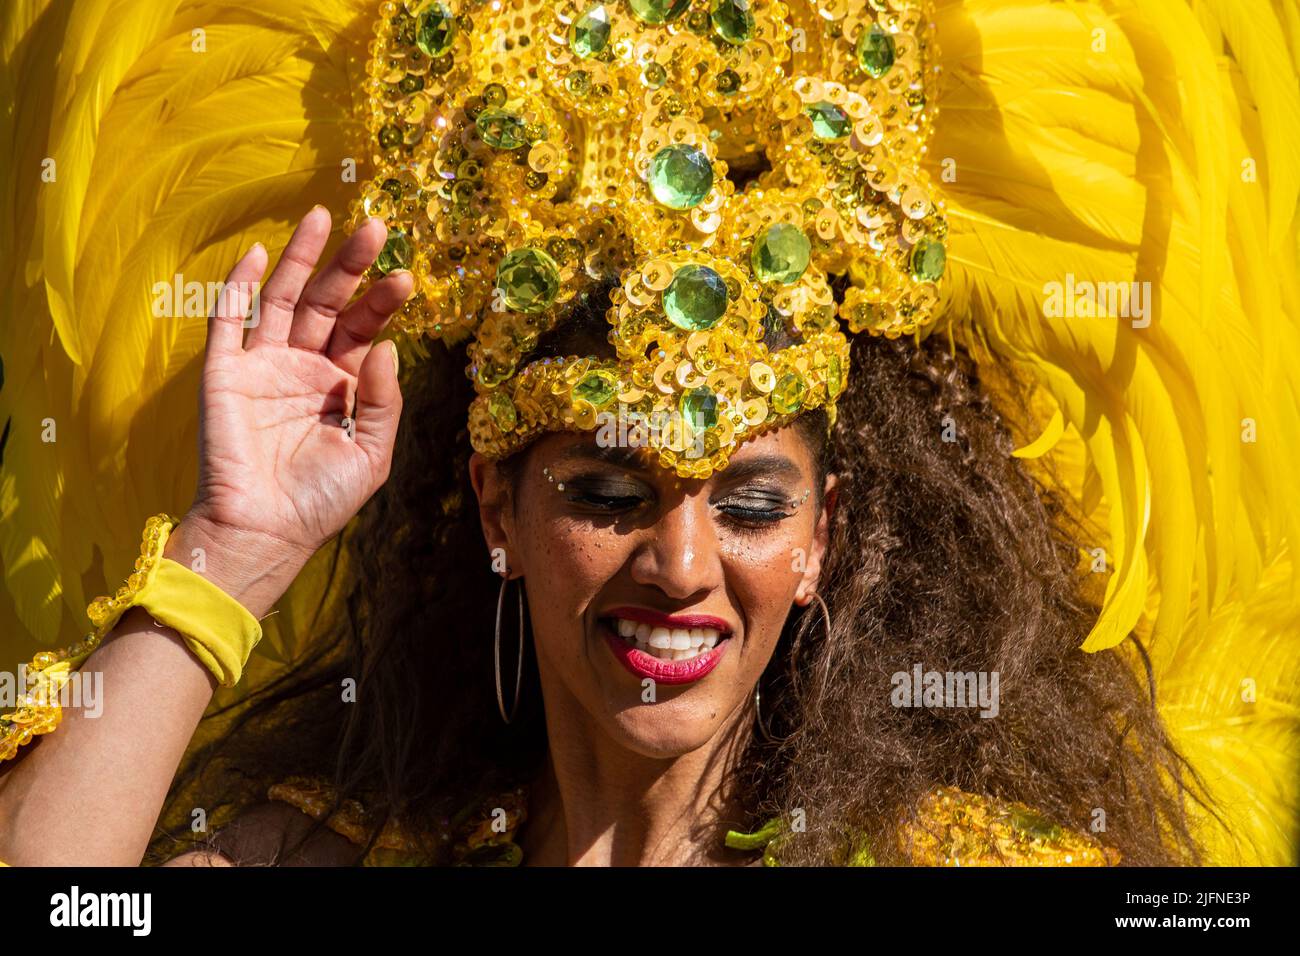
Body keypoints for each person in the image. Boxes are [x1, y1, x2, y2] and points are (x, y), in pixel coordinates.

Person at [0, 0, 1296, 867]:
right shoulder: (330, 853)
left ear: (824, 539)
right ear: (498, 509)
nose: (679, 567)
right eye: (610, 490)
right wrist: (228, 556)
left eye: (746, 501)